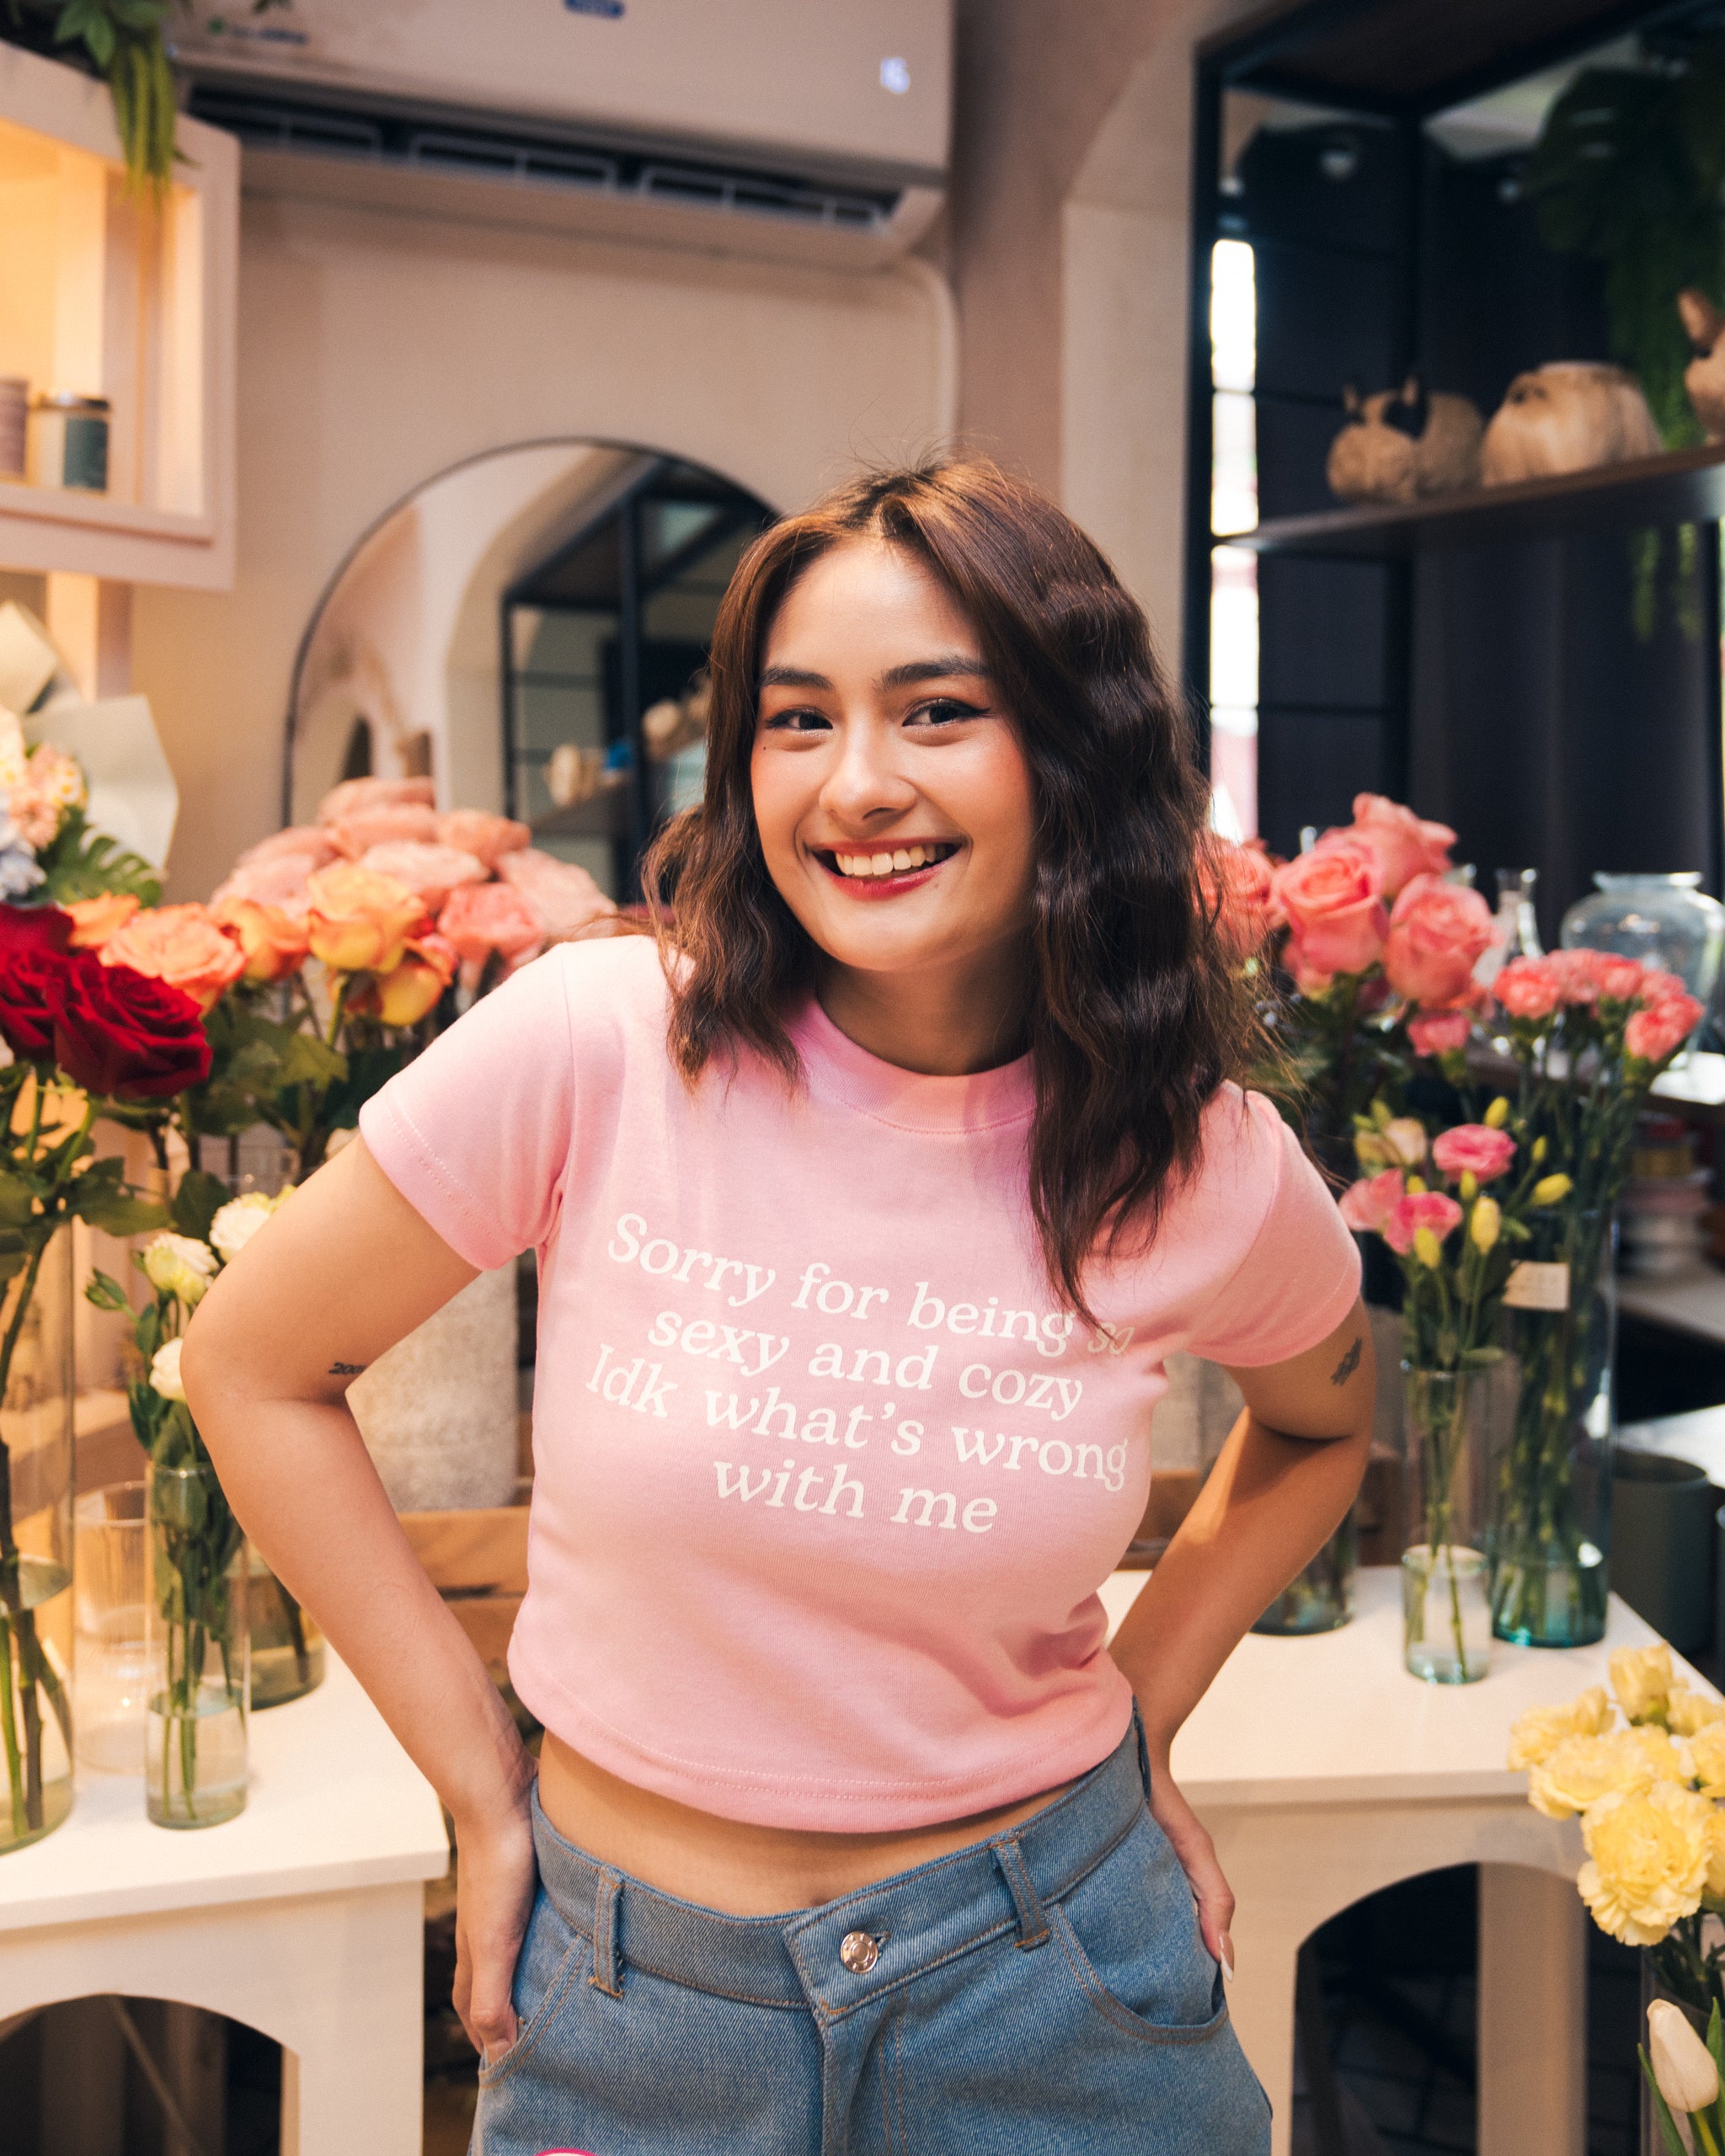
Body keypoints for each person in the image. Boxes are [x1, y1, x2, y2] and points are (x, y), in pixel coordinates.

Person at [185, 457, 1373, 2154]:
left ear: (1069, 747)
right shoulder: (600, 1039)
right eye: (796, 719)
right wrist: (475, 1785)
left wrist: (1145, 1705)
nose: (856, 785)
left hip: (1059, 1988)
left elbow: (1322, 1425)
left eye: (937, 710)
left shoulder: (1200, 1159)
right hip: (630, 2004)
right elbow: (249, 1362)